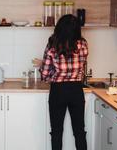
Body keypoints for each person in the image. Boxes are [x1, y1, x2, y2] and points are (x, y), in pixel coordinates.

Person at [33, 14, 88, 150]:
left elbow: (45, 74)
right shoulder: (83, 44)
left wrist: (49, 70)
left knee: (56, 132)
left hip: (58, 91)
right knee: (79, 131)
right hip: (76, 90)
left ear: (59, 28)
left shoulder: (53, 44)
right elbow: (81, 64)